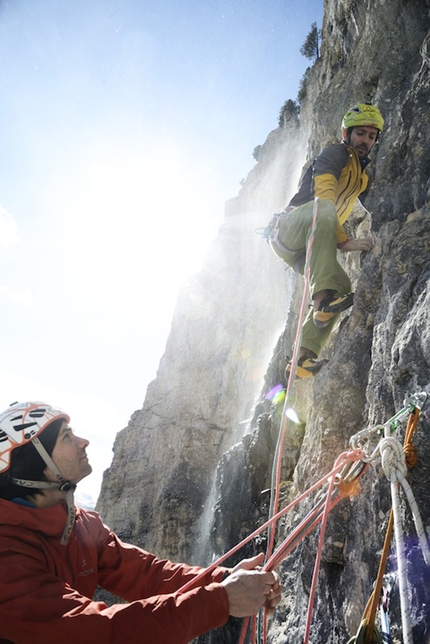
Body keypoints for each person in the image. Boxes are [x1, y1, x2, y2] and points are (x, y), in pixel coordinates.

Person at [0, 401, 281, 644]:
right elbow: (98, 633)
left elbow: (148, 575)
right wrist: (220, 600)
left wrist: (224, 578)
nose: (83, 441)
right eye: (66, 437)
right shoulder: (6, 556)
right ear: (37, 465)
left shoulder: (79, 524)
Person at [267, 102, 384, 378]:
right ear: (347, 134)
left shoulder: (362, 178)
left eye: (371, 136)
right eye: (360, 134)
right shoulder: (335, 153)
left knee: (341, 285)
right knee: (326, 206)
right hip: (288, 229)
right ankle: (321, 299)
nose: (365, 140)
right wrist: (344, 242)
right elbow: (325, 194)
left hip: (301, 248)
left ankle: (302, 357)